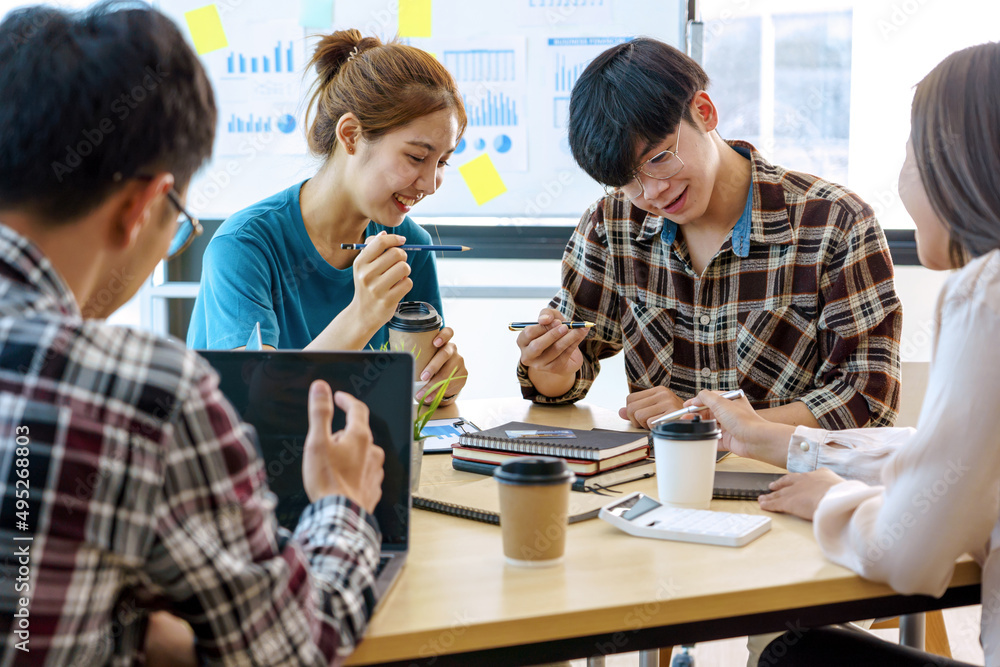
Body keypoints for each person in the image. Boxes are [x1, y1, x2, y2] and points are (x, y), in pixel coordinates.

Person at [0, 3, 386, 665]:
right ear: (141, 208)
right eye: (177, 215)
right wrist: (344, 505)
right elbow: (293, 648)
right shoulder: (141, 393)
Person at [687, 41, 1000, 667]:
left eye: (911, 153)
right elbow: (957, 469)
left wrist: (829, 498)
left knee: (792, 652)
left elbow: (912, 552)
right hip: (755, 463)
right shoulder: (608, 224)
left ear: (956, 164)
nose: (905, 178)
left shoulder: (985, 292)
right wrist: (773, 441)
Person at [515, 38, 902, 432]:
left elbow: (866, 400)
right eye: (627, 181)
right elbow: (565, 374)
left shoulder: (835, 222)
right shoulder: (614, 222)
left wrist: (703, 424)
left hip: (787, 484)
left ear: (704, 112)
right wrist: (551, 368)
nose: (651, 193)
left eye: (659, 158)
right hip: (655, 486)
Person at [187, 29, 468, 405]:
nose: (432, 184)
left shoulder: (410, 248)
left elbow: (411, 396)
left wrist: (437, 386)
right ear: (351, 135)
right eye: (417, 157)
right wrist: (362, 315)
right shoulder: (243, 247)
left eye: (443, 161)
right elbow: (255, 403)